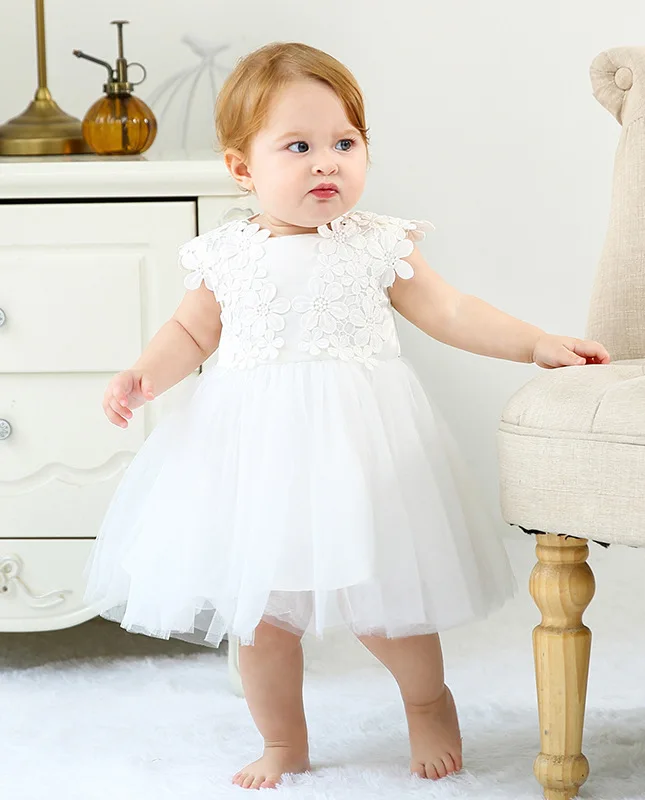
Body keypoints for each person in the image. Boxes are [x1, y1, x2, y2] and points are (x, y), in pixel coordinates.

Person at [83, 41, 611, 791]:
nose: (326, 163)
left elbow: (452, 310)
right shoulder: (226, 254)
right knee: (261, 619)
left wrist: (533, 342)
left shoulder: (376, 244)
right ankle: (282, 742)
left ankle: (428, 703)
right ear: (243, 169)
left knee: (383, 601)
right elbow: (191, 334)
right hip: (253, 456)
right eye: (298, 147)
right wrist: (144, 374)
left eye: (344, 143)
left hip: (358, 449)